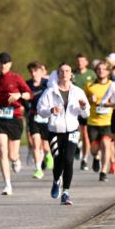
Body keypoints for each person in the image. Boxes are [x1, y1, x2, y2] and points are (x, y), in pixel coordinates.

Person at [37, 63, 89, 205]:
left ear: (71, 74)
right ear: (58, 74)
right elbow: (40, 109)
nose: (65, 74)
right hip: (55, 131)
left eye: (67, 71)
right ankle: (56, 181)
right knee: (58, 161)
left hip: (72, 130)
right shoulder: (50, 92)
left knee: (69, 160)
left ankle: (66, 192)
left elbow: (86, 114)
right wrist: (50, 110)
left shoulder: (78, 91)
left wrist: (83, 107)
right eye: (62, 71)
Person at [0, 52, 31, 195]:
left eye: (6, 62)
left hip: (15, 117)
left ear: (10, 64)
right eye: (0, 62)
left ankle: (16, 159)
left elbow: (29, 94)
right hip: (0, 118)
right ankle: (7, 184)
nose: (3, 65)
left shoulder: (16, 78)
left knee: (12, 154)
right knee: (2, 150)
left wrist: (18, 95)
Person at [84, 61, 115, 182]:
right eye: (99, 69)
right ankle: (96, 158)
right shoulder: (89, 85)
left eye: (104, 69)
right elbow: (81, 100)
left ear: (108, 72)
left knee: (106, 145)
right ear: (96, 71)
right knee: (94, 150)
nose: (101, 71)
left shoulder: (113, 85)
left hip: (107, 122)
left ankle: (103, 171)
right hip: (93, 122)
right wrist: (89, 99)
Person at [25, 62, 52, 179]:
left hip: (46, 117)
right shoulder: (27, 85)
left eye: (35, 71)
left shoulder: (47, 84)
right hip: (34, 117)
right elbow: (23, 99)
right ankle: (38, 169)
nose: (33, 74)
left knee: (46, 146)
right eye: (31, 71)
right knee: (36, 143)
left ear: (41, 72)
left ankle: (48, 154)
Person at [74, 54, 96, 170]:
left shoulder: (91, 74)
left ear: (86, 62)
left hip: (87, 108)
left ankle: (84, 159)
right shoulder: (73, 74)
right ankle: (77, 146)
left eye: (82, 61)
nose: (80, 63)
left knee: (86, 134)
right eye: (78, 61)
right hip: (74, 108)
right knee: (77, 132)